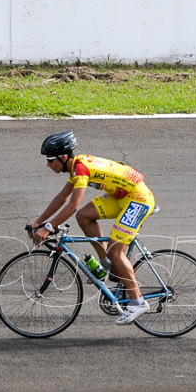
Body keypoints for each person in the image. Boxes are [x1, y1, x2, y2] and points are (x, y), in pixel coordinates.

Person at [30, 130, 156, 325]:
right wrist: (39, 222)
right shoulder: (76, 166)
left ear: (63, 157)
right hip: (122, 196)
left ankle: (137, 302)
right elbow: (61, 198)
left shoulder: (81, 169)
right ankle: (107, 264)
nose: (47, 164)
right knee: (85, 217)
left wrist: (48, 227)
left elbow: (72, 205)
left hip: (138, 199)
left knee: (116, 252)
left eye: (50, 159)